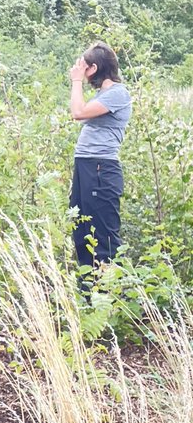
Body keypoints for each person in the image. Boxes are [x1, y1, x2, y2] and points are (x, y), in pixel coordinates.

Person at [68, 41, 131, 273]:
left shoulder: (118, 93)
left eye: (83, 67)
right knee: (82, 230)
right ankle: (90, 295)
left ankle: (114, 299)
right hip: (86, 166)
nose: (79, 72)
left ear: (93, 68)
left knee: (102, 237)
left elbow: (78, 112)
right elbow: (80, 110)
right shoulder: (100, 95)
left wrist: (76, 81)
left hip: (100, 168)